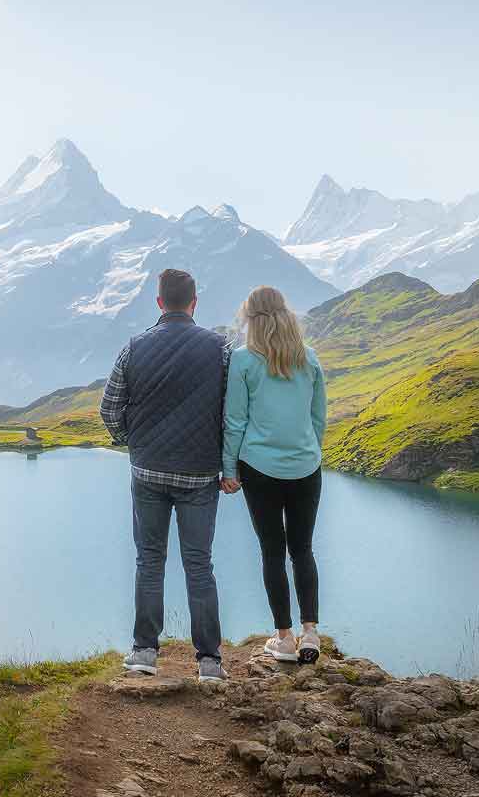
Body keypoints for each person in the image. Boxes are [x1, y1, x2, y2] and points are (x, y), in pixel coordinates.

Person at [100, 268, 232, 683]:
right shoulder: (221, 349)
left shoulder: (133, 348)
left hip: (148, 471)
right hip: (199, 475)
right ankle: (209, 661)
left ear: (159, 303)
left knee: (149, 561)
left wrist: (132, 441)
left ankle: (144, 652)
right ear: (194, 302)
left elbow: (109, 410)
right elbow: (235, 413)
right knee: (199, 564)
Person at [220, 285, 328, 665]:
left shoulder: (244, 360)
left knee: (272, 551)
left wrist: (229, 469)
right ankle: (311, 632)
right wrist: (308, 453)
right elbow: (318, 419)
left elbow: (235, 420)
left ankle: (283, 639)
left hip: (259, 468)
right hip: (306, 467)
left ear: (250, 319)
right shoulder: (309, 359)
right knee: (303, 549)